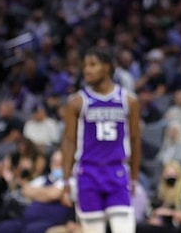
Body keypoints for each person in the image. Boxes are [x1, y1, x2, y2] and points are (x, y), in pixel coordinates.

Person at [60, 47, 142, 233]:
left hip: (117, 171)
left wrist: (135, 177)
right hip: (88, 172)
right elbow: (68, 142)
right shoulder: (76, 102)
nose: (86, 70)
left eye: (93, 65)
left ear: (107, 68)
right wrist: (66, 181)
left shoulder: (128, 100)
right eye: (85, 66)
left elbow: (136, 140)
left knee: (125, 229)